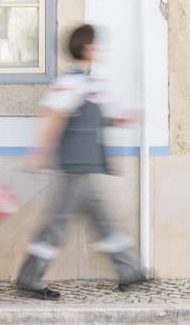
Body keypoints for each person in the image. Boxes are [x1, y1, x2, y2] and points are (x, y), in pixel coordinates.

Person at [15, 24, 148, 300]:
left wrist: (122, 119)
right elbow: (53, 115)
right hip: (73, 169)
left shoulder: (91, 83)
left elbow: (100, 116)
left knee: (103, 221)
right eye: (96, 45)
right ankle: (30, 277)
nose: (99, 50)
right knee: (57, 225)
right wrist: (41, 152)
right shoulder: (72, 81)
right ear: (87, 48)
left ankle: (129, 270)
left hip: (87, 167)